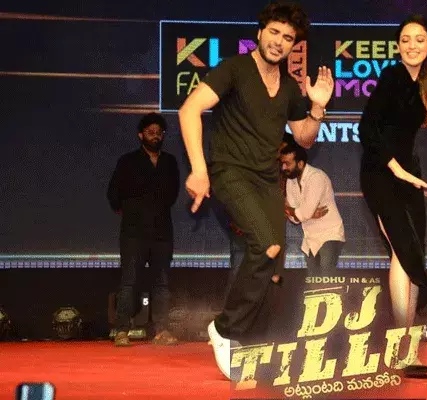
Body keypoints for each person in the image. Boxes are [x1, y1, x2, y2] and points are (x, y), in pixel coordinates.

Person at [178, 2, 333, 380]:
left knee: (274, 264)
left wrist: (317, 107)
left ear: (294, 45)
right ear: (260, 33)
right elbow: (189, 110)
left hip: (266, 181)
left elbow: (304, 138)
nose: (279, 42)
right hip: (230, 172)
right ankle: (225, 329)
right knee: (265, 246)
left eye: (288, 38)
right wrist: (198, 168)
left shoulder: (289, 88)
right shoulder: (233, 69)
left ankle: (253, 341)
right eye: (274, 33)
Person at [359, 15, 427, 375]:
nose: (412, 46)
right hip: (381, 173)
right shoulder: (392, 77)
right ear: (397, 45)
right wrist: (395, 168)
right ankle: (401, 348)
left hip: (410, 177)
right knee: (402, 252)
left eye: (420, 40)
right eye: (406, 39)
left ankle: (406, 350)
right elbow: (367, 129)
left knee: (412, 254)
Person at [107, 112, 180, 347]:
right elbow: (113, 194)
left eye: (159, 133)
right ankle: (121, 330)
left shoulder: (169, 162)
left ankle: (161, 330)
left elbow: (173, 194)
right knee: (129, 282)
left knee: (162, 283)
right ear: (141, 135)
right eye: (150, 132)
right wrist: (133, 211)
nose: (155, 136)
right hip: (134, 233)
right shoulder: (127, 161)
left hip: (162, 232)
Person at [281, 143, 345, 276]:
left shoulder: (316, 177)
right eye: (283, 163)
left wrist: (287, 208)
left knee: (326, 280)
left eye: (287, 164)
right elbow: (296, 219)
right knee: (312, 282)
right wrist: (301, 213)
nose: (283, 167)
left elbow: (303, 213)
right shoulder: (291, 180)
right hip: (309, 238)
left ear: (300, 164)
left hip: (329, 235)